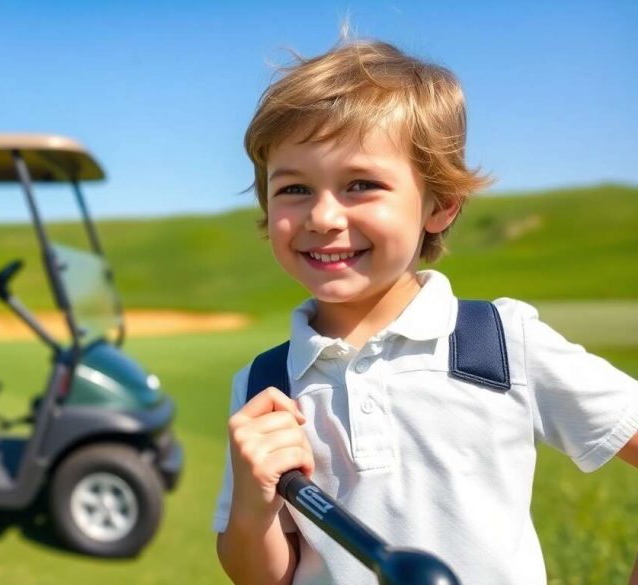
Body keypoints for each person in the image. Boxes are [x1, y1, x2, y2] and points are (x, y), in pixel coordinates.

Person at [213, 39, 638, 584]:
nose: (322, 216)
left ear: (439, 205)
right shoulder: (264, 387)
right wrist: (254, 509)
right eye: (294, 188)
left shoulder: (502, 343)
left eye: (360, 185)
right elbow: (262, 575)